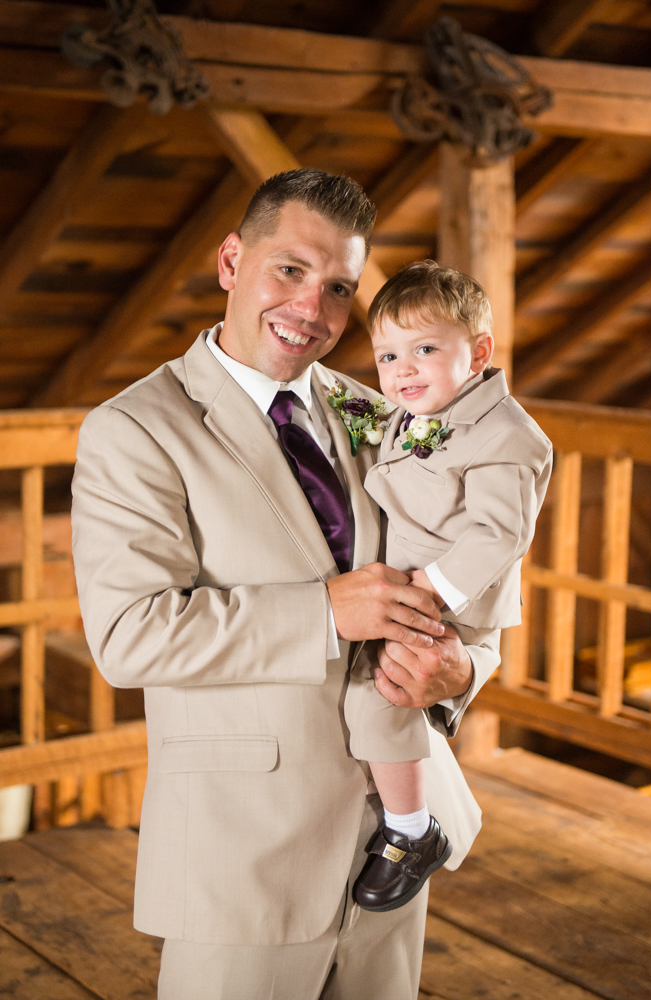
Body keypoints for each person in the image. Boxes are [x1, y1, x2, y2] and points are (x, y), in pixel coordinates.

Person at [71, 170, 502, 1000]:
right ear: (231, 261)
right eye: (289, 271)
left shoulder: (380, 411)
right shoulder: (133, 429)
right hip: (245, 850)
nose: (313, 307)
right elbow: (129, 637)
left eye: (339, 285)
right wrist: (323, 613)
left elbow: (460, 570)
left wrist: (463, 672)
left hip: (393, 836)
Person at [343, 261, 552, 913]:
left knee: (378, 699)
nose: (402, 369)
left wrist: (429, 590)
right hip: (409, 588)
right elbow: (383, 440)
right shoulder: (418, 410)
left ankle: (412, 833)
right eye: (387, 355)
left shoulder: (507, 436)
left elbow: (498, 534)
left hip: (448, 601)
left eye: (424, 349)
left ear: (479, 353)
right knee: (369, 700)